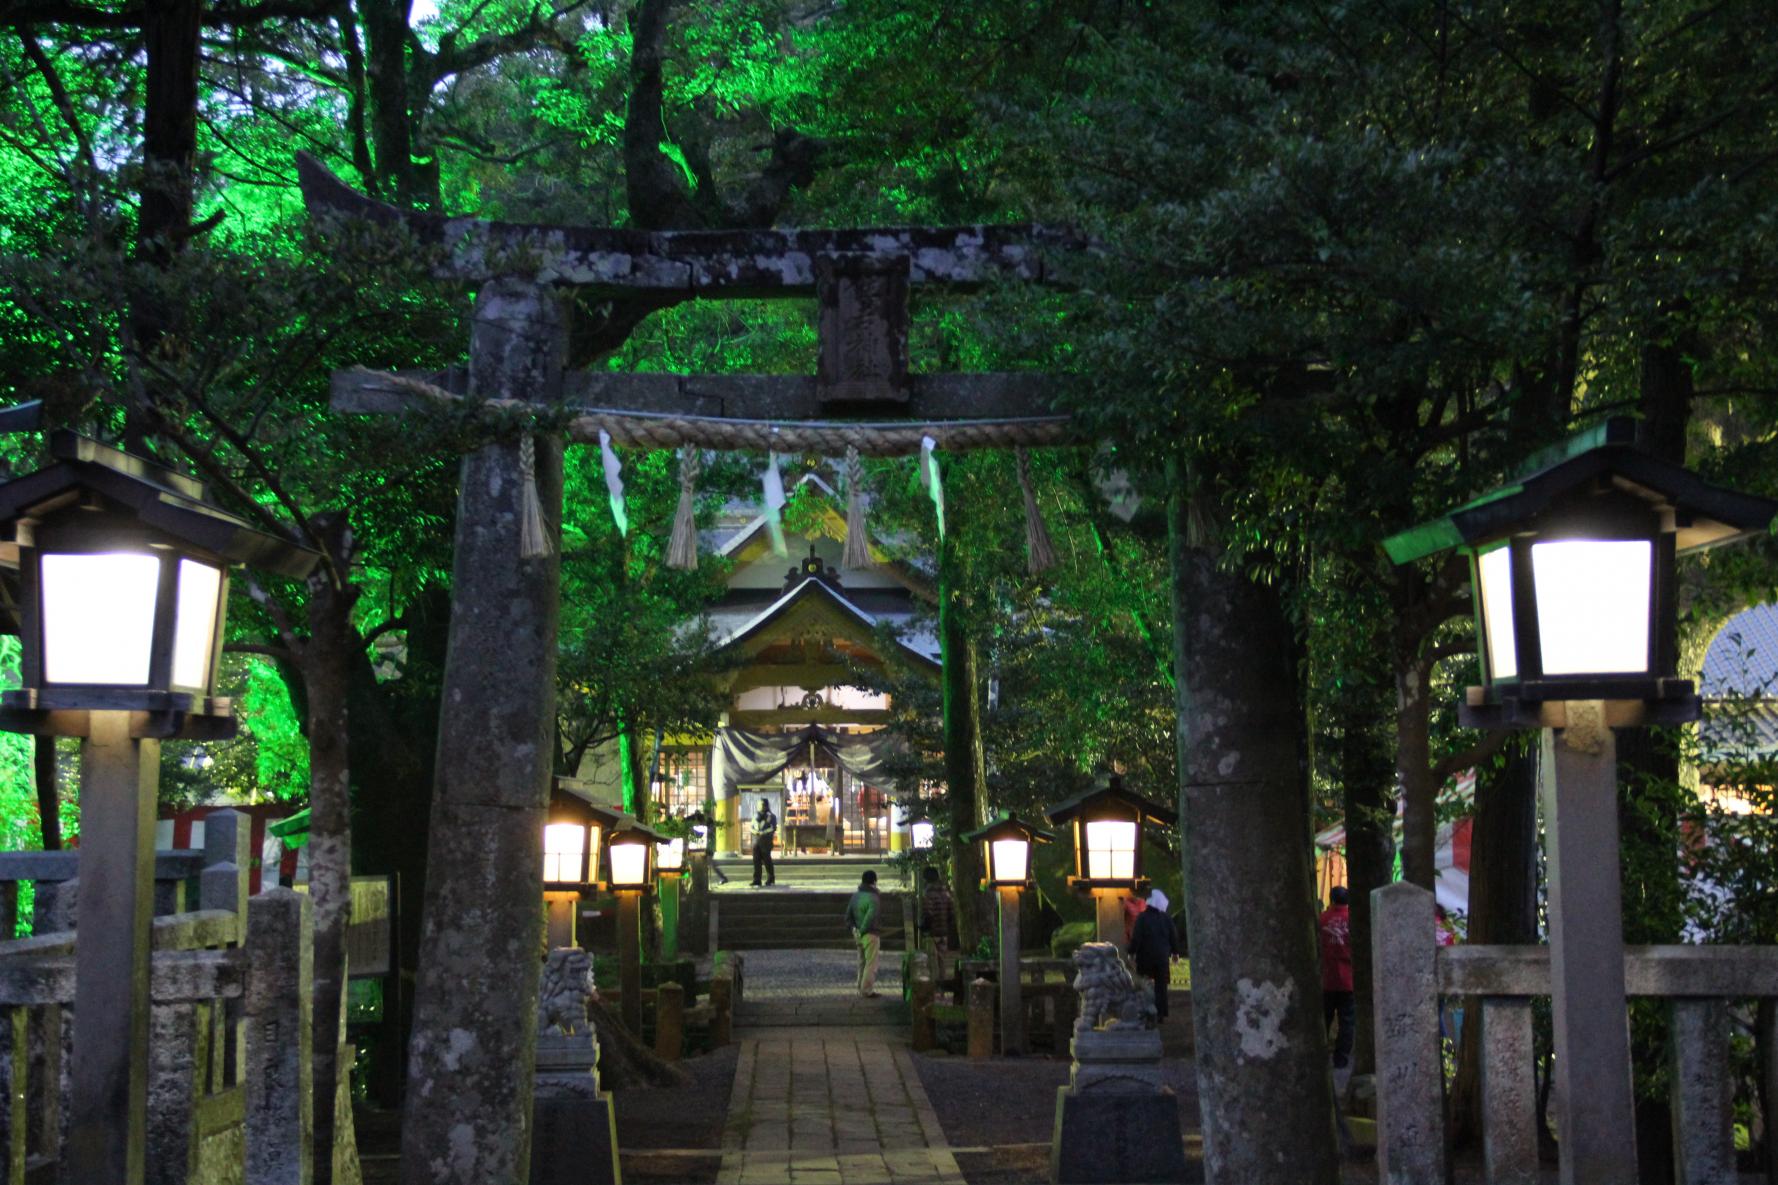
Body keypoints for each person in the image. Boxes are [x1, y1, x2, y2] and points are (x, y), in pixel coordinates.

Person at [1130, 887, 1182, 1020]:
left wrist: (1132, 952)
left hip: (1145, 957)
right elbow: (1173, 936)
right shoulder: (1166, 918)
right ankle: (1161, 1012)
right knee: (1161, 985)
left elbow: (1137, 937)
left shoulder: (1142, 918)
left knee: (1144, 984)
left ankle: (1145, 1010)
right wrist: (1175, 953)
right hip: (1162, 957)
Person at [1319, 886, 1355, 1069]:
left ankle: (1319, 1057)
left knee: (1323, 1019)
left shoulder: (1322, 919)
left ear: (1331, 899)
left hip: (1326, 979)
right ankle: (1341, 1059)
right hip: (1348, 980)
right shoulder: (1352, 920)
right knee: (1347, 1021)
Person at [845, 870, 883, 997]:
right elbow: (870, 916)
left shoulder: (855, 896)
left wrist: (854, 929)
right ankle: (866, 989)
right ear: (874, 881)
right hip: (870, 933)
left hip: (856, 932)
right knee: (871, 963)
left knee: (861, 961)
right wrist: (862, 930)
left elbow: (848, 916)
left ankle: (859, 986)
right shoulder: (874, 898)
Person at [919, 866, 955, 954]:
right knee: (942, 960)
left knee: (933, 961)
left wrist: (924, 928)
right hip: (944, 932)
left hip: (933, 933)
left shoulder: (929, 893)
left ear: (926, 879)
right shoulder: (945, 892)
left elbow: (928, 913)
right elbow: (951, 913)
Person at [750, 798, 777, 887]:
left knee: (767, 860)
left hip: (766, 841)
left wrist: (764, 832)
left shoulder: (771, 816)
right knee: (756, 861)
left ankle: (771, 878)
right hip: (756, 841)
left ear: (765, 805)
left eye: (761, 804)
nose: (759, 806)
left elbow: (773, 828)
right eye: (758, 804)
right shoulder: (755, 816)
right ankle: (757, 879)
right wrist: (755, 832)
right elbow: (751, 827)